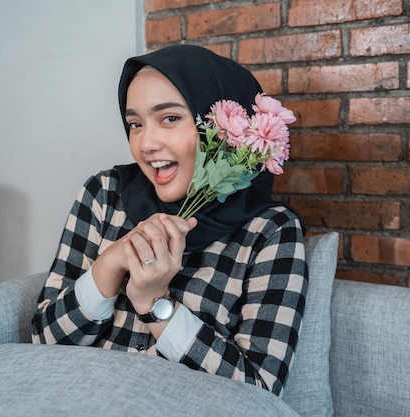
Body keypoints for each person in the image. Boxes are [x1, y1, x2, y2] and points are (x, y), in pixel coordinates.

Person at [32, 44, 308, 396]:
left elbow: (260, 392)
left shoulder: (269, 232)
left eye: (169, 118)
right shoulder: (104, 194)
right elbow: (42, 340)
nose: (145, 143)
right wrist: (110, 264)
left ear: (224, 130)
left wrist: (154, 303)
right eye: (135, 124)